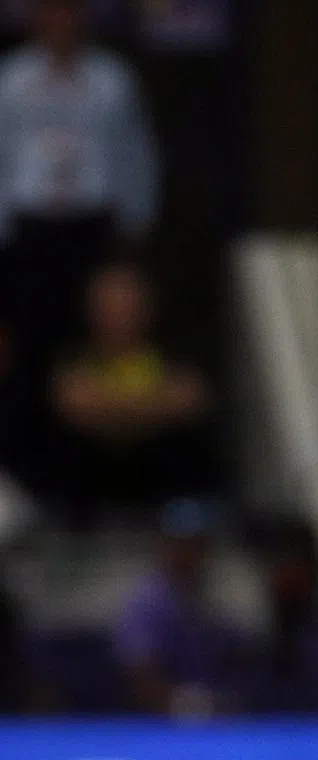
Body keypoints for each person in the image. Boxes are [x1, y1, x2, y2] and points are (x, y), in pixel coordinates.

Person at [0, 0, 160, 493]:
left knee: (93, 349)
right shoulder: (12, 80)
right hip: (29, 229)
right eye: (51, 13)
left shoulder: (111, 80)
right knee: (29, 352)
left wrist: (133, 227)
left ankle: (90, 484)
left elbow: (134, 153)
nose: (61, 24)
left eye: (69, 12)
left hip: (91, 228)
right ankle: (27, 479)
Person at [51, 262, 212, 528]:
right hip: (95, 478)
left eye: (128, 306)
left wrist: (106, 408)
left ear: (147, 310)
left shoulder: (169, 357)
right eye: (110, 307)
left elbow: (190, 401)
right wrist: (152, 406)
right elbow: (72, 403)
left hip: (155, 477)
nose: (119, 316)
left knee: (185, 455)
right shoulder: (76, 358)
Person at [113, 497, 241, 718]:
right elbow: (138, 673)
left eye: (201, 544)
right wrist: (186, 704)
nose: (195, 553)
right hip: (160, 729)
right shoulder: (150, 602)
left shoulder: (201, 597)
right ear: (167, 544)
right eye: (186, 544)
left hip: (209, 725)